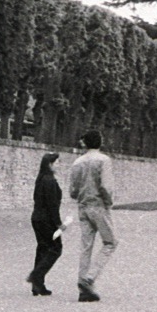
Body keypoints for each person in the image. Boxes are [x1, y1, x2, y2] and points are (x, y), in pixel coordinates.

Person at [67, 129, 118, 302]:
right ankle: (89, 277)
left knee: (86, 246)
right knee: (110, 242)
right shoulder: (104, 160)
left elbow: (72, 191)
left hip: (82, 206)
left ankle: (83, 286)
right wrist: (109, 201)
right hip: (98, 205)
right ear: (100, 142)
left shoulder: (77, 162)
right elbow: (106, 186)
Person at [26, 152, 64, 296]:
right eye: (57, 163)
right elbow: (52, 205)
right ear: (50, 164)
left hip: (37, 217)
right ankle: (37, 275)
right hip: (46, 220)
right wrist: (59, 224)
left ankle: (38, 285)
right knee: (56, 248)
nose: (59, 166)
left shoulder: (41, 179)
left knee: (42, 248)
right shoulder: (49, 181)